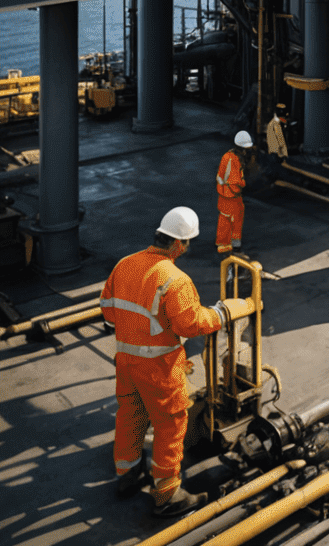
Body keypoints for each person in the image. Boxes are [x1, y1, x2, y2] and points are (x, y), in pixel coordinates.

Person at [101, 206, 231, 518]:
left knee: (130, 414)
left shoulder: (124, 265)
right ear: (180, 244)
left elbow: (108, 312)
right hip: (159, 368)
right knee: (170, 425)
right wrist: (222, 313)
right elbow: (190, 325)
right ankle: (168, 494)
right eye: (188, 243)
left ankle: (127, 475)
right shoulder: (175, 279)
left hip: (126, 362)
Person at [214, 131, 254, 255]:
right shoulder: (235, 160)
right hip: (231, 195)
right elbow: (236, 180)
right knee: (236, 219)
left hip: (223, 194)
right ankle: (236, 246)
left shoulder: (227, 156)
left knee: (224, 218)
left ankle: (222, 244)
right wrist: (243, 184)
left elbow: (221, 176)